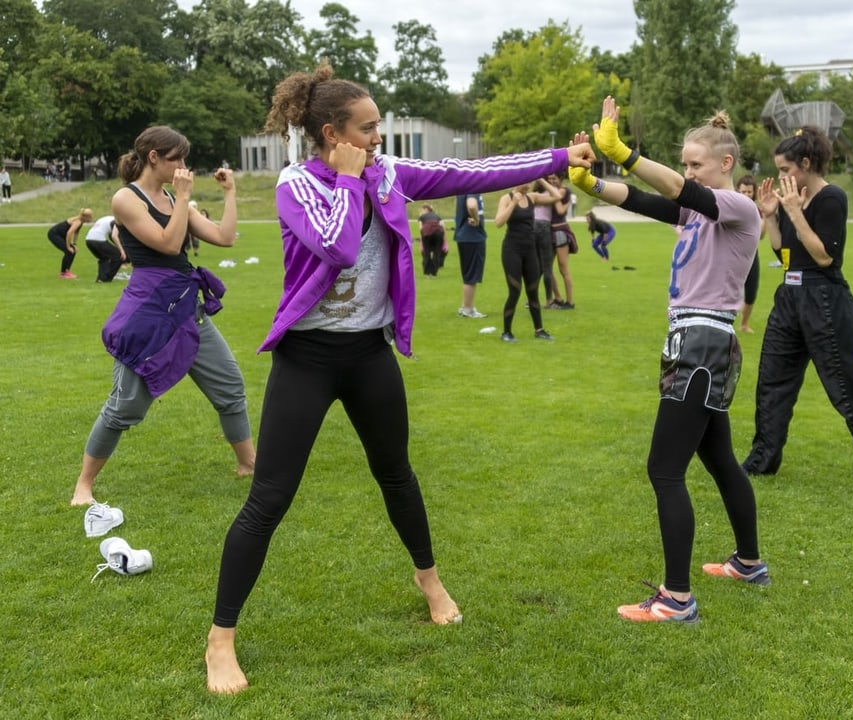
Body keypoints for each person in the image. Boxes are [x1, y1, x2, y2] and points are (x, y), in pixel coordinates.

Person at [203, 62, 595, 695]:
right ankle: (221, 639)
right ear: (333, 133)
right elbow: (333, 245)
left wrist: (559, 154)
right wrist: (352, 185)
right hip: (307, 360)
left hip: (367, 355)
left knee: (397, 475)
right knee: (269, 497)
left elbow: (472, 172)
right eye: (368, 130)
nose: (379, 140)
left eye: (379, 128)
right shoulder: (294, 184)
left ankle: (428, 577)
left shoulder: (385, 173)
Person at [568, 96, 768, 624]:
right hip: (699, 341)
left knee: (664, 470)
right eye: (683, 162)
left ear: (725, 165)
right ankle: (748, 562)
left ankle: (676, 599)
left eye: (695, 162)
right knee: (719, 459)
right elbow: (641, 201)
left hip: (702, 340)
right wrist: (588, 182)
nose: (686, 172)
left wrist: (625, 153)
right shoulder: (695, 211)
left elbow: (678, 191)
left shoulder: (738, 208)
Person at [69, 125, 256, 508]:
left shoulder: (175, 197)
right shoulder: (126, 198)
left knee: (230, 388)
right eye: (177, 159)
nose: (183, 166)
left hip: (187, 307)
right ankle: (83, 485)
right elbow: (170, 245)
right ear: (153, 157)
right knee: (124, 406)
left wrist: (230, 193)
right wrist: (185, 198)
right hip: (150, 314)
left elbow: (225, 237)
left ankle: (248, 464)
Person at [740, 126, 853, 499]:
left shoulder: (831, 198)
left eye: (786, 170)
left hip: (824, 301)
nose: (781, 177)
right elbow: (784, 255)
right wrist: (771, 217)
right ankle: (763, 460)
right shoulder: (790, 203)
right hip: (790, 297)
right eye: (778, 170)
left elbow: (825, 256)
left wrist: (795, 213)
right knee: (772, 382)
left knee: (847, 390)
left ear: (806, 163)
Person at [493, 180, 562, 342]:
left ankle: (539, 330)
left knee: (533, 291)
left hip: (530, 250)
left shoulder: (532, 197)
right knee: (515, 291)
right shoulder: (506, 198)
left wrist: (541, 180)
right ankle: (507, 332)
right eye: (528, 180)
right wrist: (514, 202)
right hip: (512, 250)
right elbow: (498, 222)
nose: (530, 184)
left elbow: (557, 196)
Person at [735, 174, 764, 333]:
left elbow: (762, 235)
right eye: (743, 192)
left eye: (749, 192)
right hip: (732, 254)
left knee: (751, 290)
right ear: (737, 191)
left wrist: (766, 215)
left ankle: (744, 324)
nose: (746, 195)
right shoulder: (731, 208)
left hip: (751, 255)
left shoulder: (756, 211)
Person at [454, 192, 488, 317]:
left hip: (463, 235)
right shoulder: (473, 188)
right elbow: (472, 205)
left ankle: (465, 305)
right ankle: (468, 309)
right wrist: (477, 219)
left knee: (468, 273)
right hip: (472, 236)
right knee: (471, 275)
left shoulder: (462, 189)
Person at [547, 173, 576, 309]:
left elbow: (559, 210)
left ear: (561, 179)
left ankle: (569, 302)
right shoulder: (551, 191)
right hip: (549, 231)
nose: (551, 181)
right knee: (547, 267)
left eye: (554, 178)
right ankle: (558, 298)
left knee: (563, 268)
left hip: (559, 231)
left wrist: (555, 195)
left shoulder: (562, 191)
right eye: (549, 179)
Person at [47, 208, 94, 279]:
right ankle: (63, 273)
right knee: (68, 251)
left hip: (61, 235)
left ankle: (67, 271)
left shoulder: (80, 221)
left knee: (73, 251)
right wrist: (68, 246)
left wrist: (74, 244)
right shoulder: (77, 222)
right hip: (54, 234)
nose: (91, 218)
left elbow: (76, 232)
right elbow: (69, 233)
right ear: (86, 217)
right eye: (90, 217)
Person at [532, 181, 558, 307]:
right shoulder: (549, 193)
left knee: (536, 267)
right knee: (547, 267)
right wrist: (544, 180)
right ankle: (549, 300)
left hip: (532, 227)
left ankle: (531, 299)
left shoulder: (533, 194)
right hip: (543, 226)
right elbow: (557, 196)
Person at [84, 214, 127, 283]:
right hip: (98, 240)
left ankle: (101, 279)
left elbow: (111, 236)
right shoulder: (116, 221)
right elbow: (114, 236)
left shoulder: (106, 218)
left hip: (88, 240)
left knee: (103, 258)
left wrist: (118, 246)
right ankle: (108, 278)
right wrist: (122, 250)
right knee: (118, 256)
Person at [417, 203, 445, 276]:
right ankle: (434, 272)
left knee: (426, 252)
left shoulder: (422, 217)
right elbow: (443, 227)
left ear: (426, 210)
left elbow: (421, 228)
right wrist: (445, 241)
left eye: (422, 210)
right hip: (438, 233)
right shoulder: (437, 216)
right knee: (437, 252)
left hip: (427, 233)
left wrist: (421, 242)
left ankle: (427, 272)